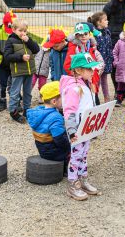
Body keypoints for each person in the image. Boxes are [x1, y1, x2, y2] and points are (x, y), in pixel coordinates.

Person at [60, 53, 102, 201]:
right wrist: (71, 131)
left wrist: (96, 124)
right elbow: (69, 111)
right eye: (89, 69)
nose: (92, 72)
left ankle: (82, 179)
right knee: (77, 155)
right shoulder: (74, 89)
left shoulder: (85, 85)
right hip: (77, 129)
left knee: (84, 154)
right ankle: (72, 183)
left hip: (86, 128)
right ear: (78, 70)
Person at [0, 18, 40, 124]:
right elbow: (7, 56)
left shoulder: (27, 39)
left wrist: (28, 40)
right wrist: (21, 57)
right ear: (13, 30)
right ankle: (13, 111)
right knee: (15, 92)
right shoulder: (10, 41)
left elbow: (36, 49)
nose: (23, 33)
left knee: (28, 92)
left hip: (29, 70)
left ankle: (27, 109)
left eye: (25, 31)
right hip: (18, 72)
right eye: (20, 30)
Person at [27, 81, 71, 174]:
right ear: (54, 101)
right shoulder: (55, 117)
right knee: (72, 149)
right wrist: (69, 147)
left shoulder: (39, 111)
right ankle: (65, 170)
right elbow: (60, 139)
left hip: (42, 149)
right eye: (63, 98)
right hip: (53, 153)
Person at [63, 22, 103, 93]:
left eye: (85, 34)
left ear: (89, 34)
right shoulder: (74, 48)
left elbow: (93, 61)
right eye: (80, 35)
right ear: (76, 36)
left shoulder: (90, 46)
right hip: (81, 81)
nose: (83, 36)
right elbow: (68, 65)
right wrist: (79, 77)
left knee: (94, 99)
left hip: (91, 78)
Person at [0, 12, 16, 112]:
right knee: (2, 83)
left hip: (14, 63)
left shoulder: (18, 33)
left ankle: (15, 101)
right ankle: (2, 101)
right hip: (3, 64)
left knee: (14, 83)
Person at [90, 11, 113, 102]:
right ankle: (95, 99)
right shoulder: (94, 34)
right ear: (99, 22)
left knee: (104, 81)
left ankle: (107, 99)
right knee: (96, 81)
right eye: (105, 20)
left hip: (106, 61)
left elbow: (109, 46)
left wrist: (110, 58)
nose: (107, 21)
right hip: (97, 62)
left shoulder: (107, 32)